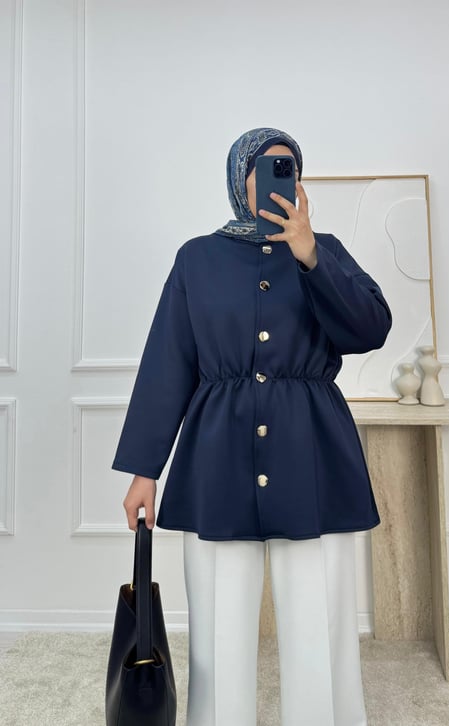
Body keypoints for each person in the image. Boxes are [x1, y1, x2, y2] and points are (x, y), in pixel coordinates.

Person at [112, 127, 393, 726]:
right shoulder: (197, 258)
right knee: (219, 628)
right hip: (217, 459)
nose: (275, 180)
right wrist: (143, 471)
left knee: (319, 620)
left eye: (288, 168)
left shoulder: (325, 251)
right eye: (263, 168)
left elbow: (370, 329)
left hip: (312, 454)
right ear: (238, 178)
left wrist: (310, 255)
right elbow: (168, 363)